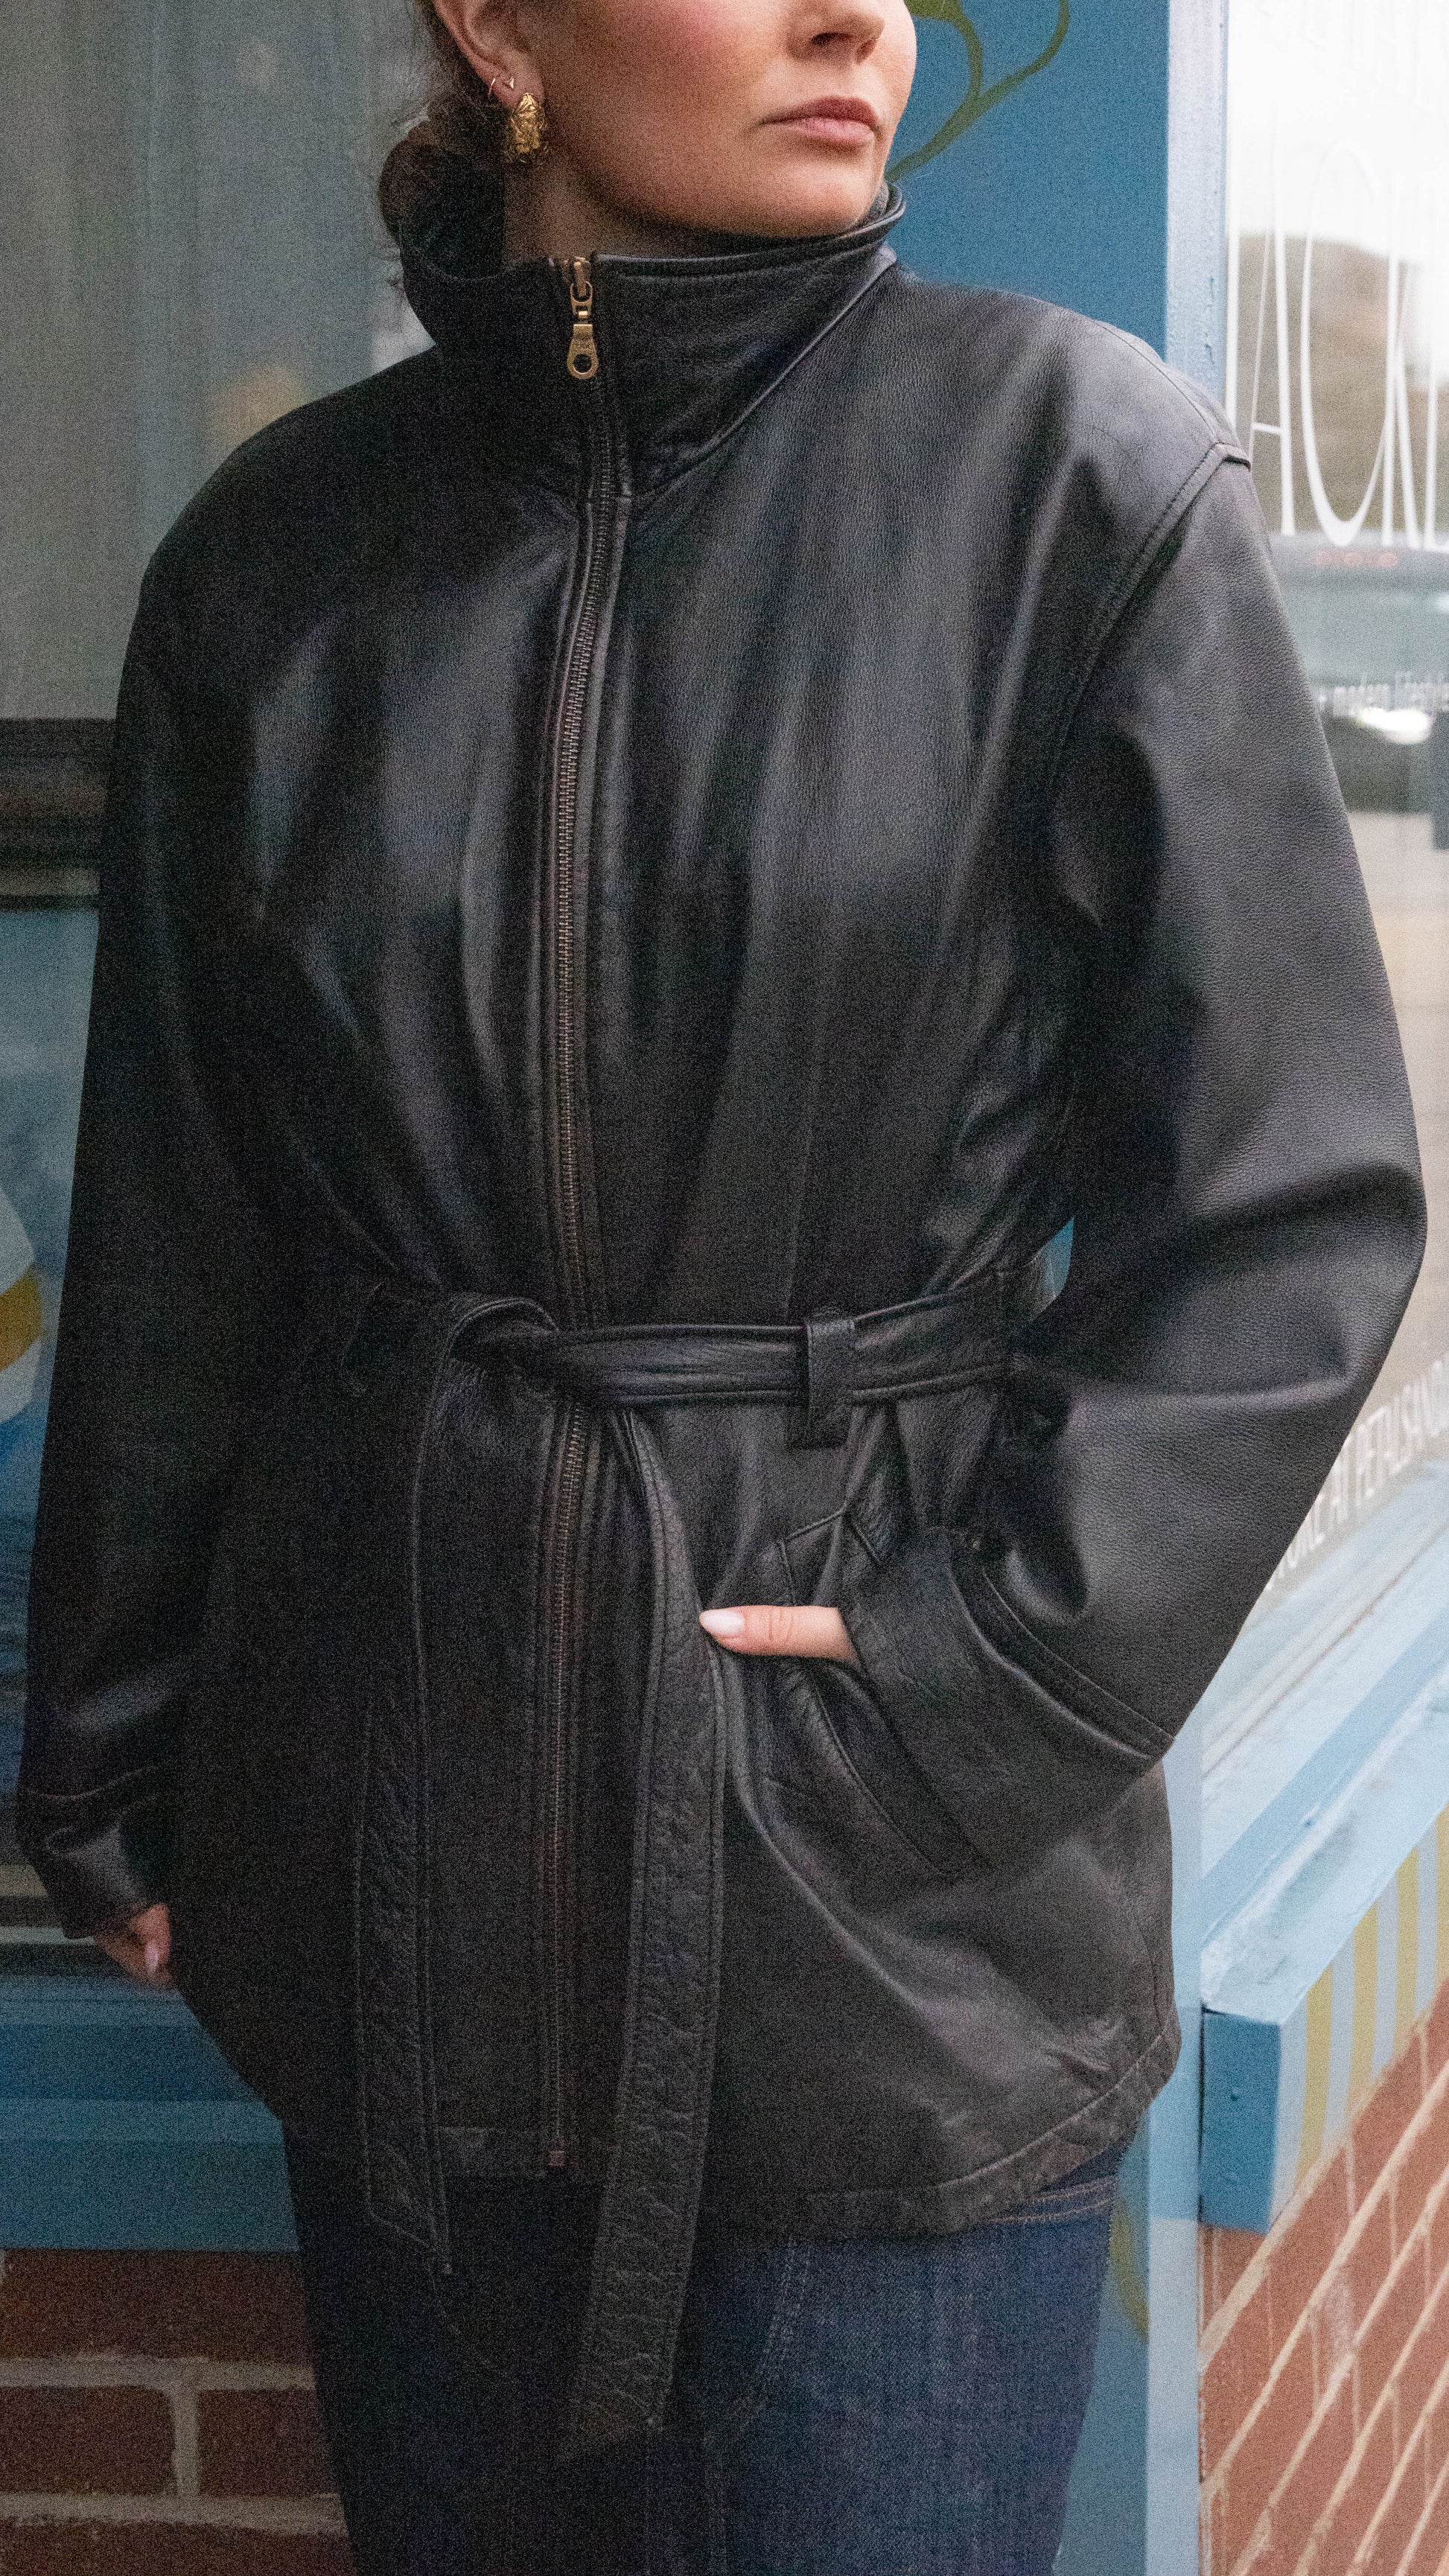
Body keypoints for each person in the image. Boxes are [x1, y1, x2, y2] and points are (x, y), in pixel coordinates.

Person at [19, 1, 1424, 2569]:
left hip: (884, 1898)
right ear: (491, 23)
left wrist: (976, 1684)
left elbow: (1284, 1210)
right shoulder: (281, 559)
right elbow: (188, 1213)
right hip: (395, 1846)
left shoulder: (1069, 477)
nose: (848, 14)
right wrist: (123, 1748)